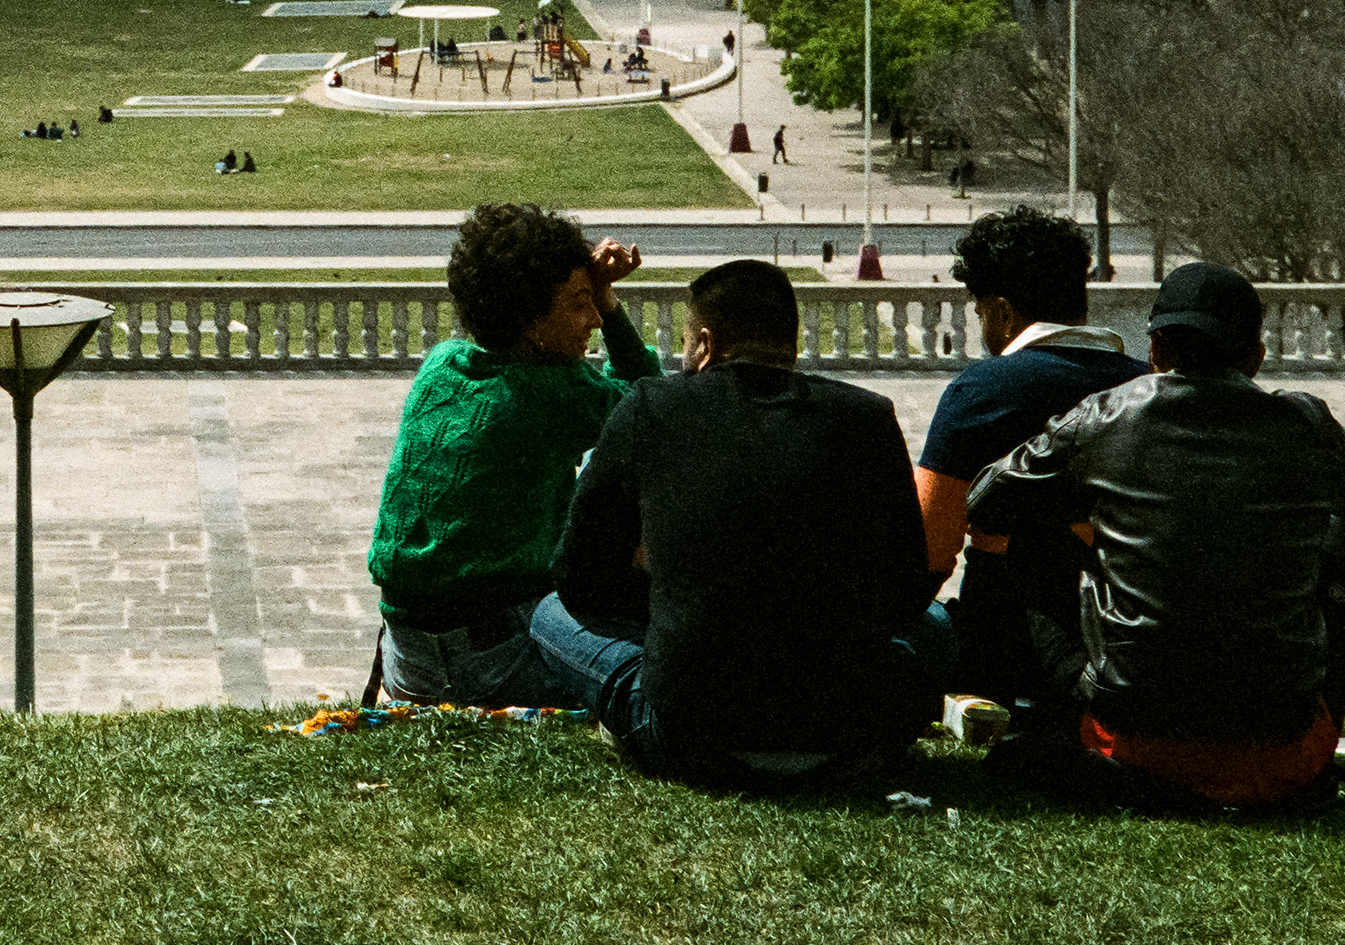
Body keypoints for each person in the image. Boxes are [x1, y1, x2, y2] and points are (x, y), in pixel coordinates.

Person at [966, 263, 1345, 810]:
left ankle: (1058, 721)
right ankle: (1309, 741)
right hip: (1278, 726)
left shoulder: (1104, 416)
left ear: (1155, 349)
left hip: (1130, 721)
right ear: (1256, 357)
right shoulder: (1303, 425)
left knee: (1035, 537)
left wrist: (1094, 512)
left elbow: (986, 502)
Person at [528, 260, 939, 787]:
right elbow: (905, 591)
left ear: (703, 343)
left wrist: (676, 605)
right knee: (938, 629)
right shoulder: (867, 416)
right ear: (789, 342)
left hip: (689, 736)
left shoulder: (651, 406)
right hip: (848, 734)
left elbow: (579, 576)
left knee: (548, 614)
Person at [362, 206, 662, 707]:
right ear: (529, 320)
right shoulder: (549, 391)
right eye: (578, 303)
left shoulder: (443, 364)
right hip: (490, 665)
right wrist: (612, 306)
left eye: (592, 302)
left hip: (408, 661)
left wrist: (592, 294)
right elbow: (651, 408)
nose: (590, 318)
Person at [912, 208, 1141, 731]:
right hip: (1134, 639)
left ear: (1002, 312)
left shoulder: (981, 393)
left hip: (1009, 646)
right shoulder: (1146, 387)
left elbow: (927, 554)